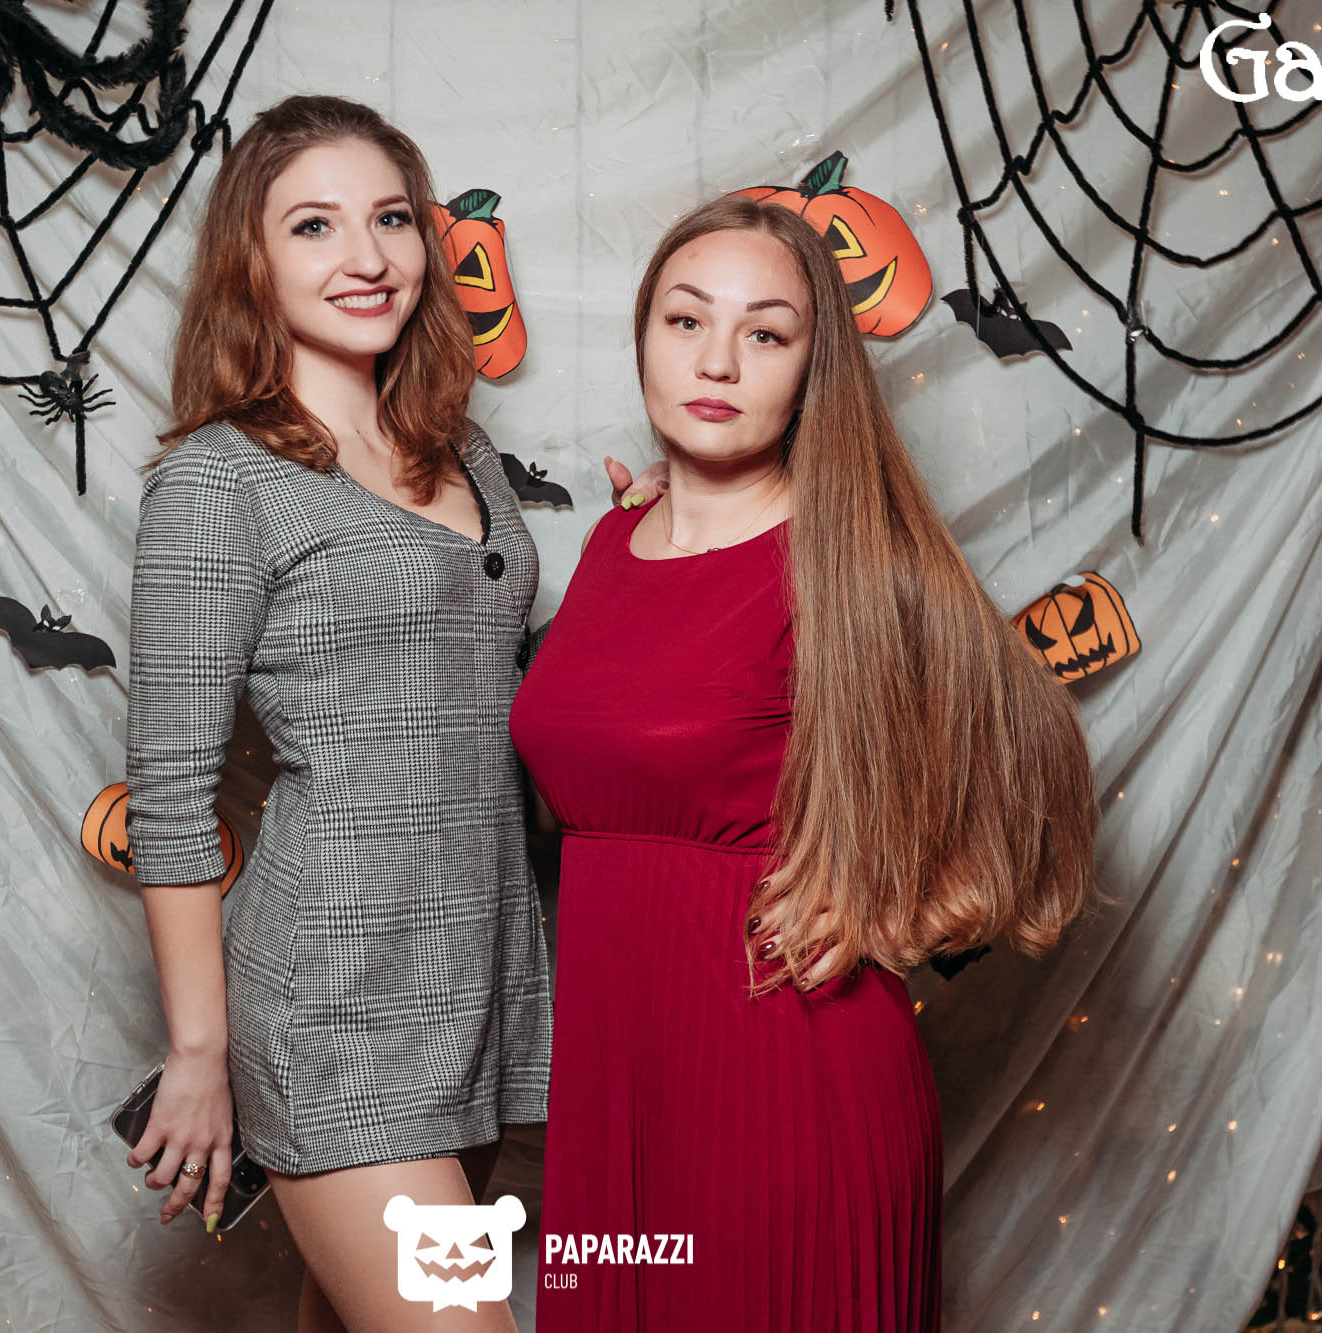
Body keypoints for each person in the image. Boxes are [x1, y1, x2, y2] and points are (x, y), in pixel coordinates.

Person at [509, 192, 1101, 1330]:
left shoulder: (852, 556)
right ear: (643, 336)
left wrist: (891, 899)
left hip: (785, 1075)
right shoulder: (611, 538)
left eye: (766, 332)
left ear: (811, 367)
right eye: (686, 320)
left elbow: (1040, 771)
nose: (717, 360)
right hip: (612, 1084)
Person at [120, 94, 662, 1333]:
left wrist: (643, 549)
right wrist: (198, 1052)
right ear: (251, 261)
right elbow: (168, 790)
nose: (365, 257)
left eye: (391, 219)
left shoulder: (461, 455)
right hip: (336, 991)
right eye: (313, 226)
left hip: (477, 971)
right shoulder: (219, 479)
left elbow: (501, 698)